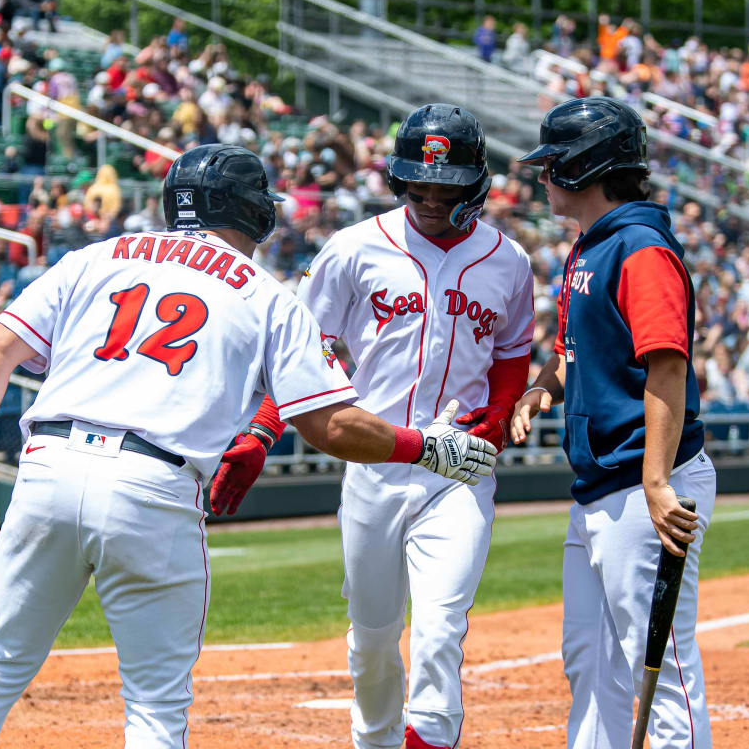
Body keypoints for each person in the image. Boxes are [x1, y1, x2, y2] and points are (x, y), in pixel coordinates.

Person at [0, 144, 497, 749]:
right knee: (153, 706)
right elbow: (331, 427)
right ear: (255, 213)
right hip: (153, 488)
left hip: (47, 469)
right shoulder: (265, 293)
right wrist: (425, 448)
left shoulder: (94, 257)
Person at [205, 104, 534, 749]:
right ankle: (376, 740)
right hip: (372, 462)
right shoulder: (354, 247)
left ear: (476, 182)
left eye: (447, 185)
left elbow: (513, 353)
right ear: (398, 178)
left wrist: (493, 425)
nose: (432, 197)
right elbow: (303, 351)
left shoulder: (509, 260)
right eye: (420, 183)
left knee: (440, 627)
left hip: (458, 473)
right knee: (374, 637)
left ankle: (431, 737)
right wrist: (264, 430)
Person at [511, 96, 714, 749]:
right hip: (602, 481)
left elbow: (668, 368)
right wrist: (542, 386)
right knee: (591, 659)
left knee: (662, 664)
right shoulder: (590, 247)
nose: (542, 178)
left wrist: (657, 482)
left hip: (643, 481)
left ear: (585, 167)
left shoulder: (640, 248)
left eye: (552, 166)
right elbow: (575, 350)